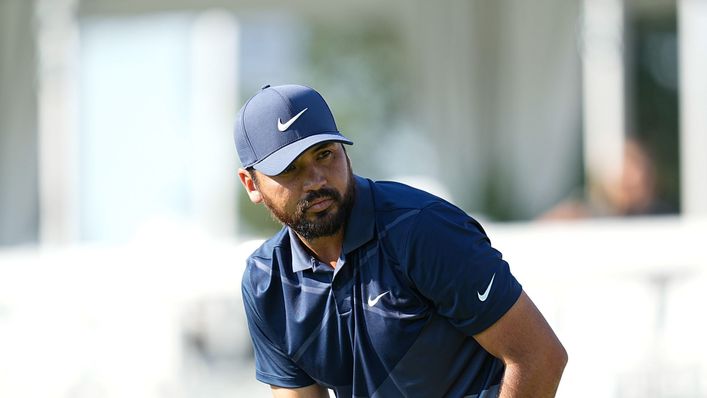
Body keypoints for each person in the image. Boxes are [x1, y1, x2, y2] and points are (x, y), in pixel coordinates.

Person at [234, 84, 567, 398]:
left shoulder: (421, 229)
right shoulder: (266, 281)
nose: (316, 179)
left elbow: (539, 356)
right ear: (251, 185)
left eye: (325, 154)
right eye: (290, 168)